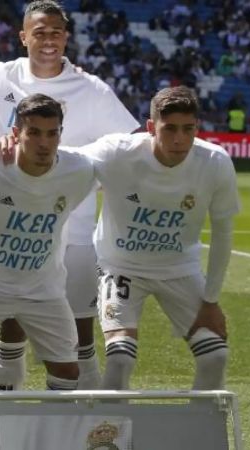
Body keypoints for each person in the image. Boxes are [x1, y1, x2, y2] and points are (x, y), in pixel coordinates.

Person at [0, 0, 139, 390]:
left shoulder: (91, 90)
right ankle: (5, 416)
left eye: (56, 32)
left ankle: (92, 425)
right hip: (9, 232)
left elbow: (130, 147)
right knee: (10, 334)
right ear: (23, 36)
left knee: (80, 334)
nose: (48, 40)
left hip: (73, 231)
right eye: (39, 32)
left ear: (66, 37)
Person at [82, 87, 236, 390]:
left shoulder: (214, 162)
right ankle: (106, 433)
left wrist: (211, 300)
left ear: (197, 128)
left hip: (180, 270)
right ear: (152, 128)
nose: (180, 138)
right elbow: (65, 162)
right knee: (120, 358)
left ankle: (197, 430)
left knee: (215, 355)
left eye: (188, 129)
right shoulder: (117, 153)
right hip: (121, 267)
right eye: (170, 129)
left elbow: (223, 232)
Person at [0, 94, 95, 392]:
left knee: (68, 371)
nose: (44, 143)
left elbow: (127, 157)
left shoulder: (80, 169)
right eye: (34, 133)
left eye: (52, 133)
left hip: (43, 289)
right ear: (16, 134)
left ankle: (52, 437)